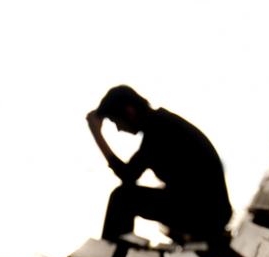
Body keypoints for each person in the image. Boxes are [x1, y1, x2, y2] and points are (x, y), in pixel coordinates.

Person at [87, 85, 233, 245]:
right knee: (126, 196)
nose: (119, 129)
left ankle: (107, 256)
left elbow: (128, 176)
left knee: (122, 198)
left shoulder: (158, 130)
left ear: (130, 112)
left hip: (207, 215)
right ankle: (113, 253)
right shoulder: (160, 124)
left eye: (116, 121)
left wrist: (97, 134)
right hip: (209, 211)